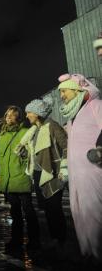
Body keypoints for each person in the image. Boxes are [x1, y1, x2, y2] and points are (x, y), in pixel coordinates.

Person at [57, 74, 102, 264]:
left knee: (95, 211)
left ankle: (98, 253)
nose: (62, 95)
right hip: (77, 173)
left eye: (64, 91)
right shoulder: (72, 116)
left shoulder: (96, 105)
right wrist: (65, 168)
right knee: (79, 211)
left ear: (77, 90)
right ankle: (88, 251)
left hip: (93, 170)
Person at [17, 96, 68, 249]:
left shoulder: (52, 126)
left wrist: (64, 168)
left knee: (54, 208)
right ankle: (54, 238)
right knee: (47, 209)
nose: (26, 116)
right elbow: (36, 153)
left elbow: (66, 146)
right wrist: (24, 153)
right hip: (39, 174)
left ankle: (61, 240)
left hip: (52, 172)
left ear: (37, 113)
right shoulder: (35, 130)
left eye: (29, 113)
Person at [0, 106, 40, 250]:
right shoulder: (2, 135)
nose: (9, 117)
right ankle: (16, 240)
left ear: (18, 117)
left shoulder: (25, 132)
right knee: (14, 212)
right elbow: (0, 159)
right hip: (8, 179)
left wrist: (24, 156)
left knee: (28, 211)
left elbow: (31, 155)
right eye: (7, 114)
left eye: (12, 114)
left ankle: (35, 241)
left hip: (21, 176)